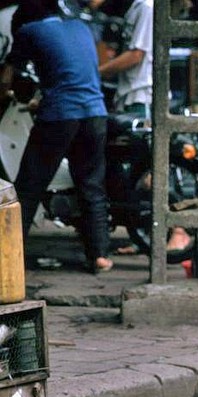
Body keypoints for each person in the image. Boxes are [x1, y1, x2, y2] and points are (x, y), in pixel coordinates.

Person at [0, 0, 113, 273]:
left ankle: (10, 259)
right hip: (95, 113)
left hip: (61, 115)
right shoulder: (81, 27)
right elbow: (74, 73)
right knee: (91, 185)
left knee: (27, 187)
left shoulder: (29, 31)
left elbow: (6, 78)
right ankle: (99, 255)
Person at [92, 0, 193, 256]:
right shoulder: (136, 8)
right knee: (137, 172)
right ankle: (143, 237)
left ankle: (179, 231)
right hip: (131, 97)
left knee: (152, 171)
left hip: (144, 98)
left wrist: (95, 72)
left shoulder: (147, 7)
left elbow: (137, 55)